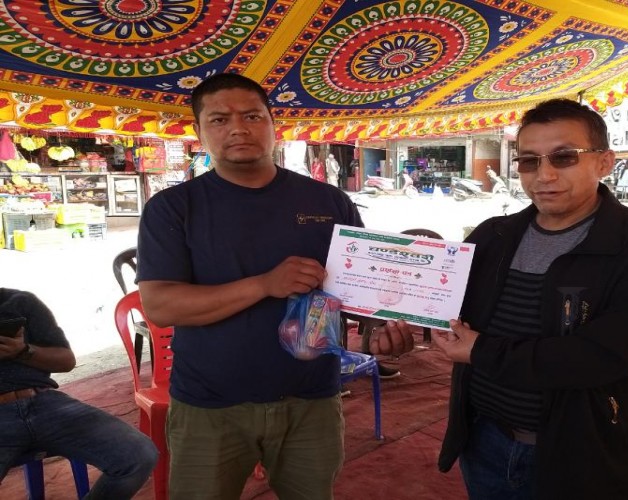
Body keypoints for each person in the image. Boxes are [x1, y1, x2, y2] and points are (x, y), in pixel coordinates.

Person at [136, 73, 413, 499]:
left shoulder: (328, 201)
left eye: (252, 116)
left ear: (272, 123)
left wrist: (384, 328)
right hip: (211, 404)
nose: (238, 129)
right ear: (199, 131)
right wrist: (265, 284)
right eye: (219, 119)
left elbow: (359, 287)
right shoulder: (173, 208)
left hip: (312, 398)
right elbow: (161, 305)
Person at [432, 98, 628, 499]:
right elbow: (449, 313)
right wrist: (401, 324)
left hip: (581, 455)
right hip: (484, 440)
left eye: (564, 157)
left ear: (604, 162)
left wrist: (482, 351)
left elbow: (610, 354)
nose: (544, 175)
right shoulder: (493, 235)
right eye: (529, 161)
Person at [0, 288, 158, 498]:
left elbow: (66, 361)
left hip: (44, 403)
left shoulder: (21, 302)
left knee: (139, 455)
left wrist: (23, 351)